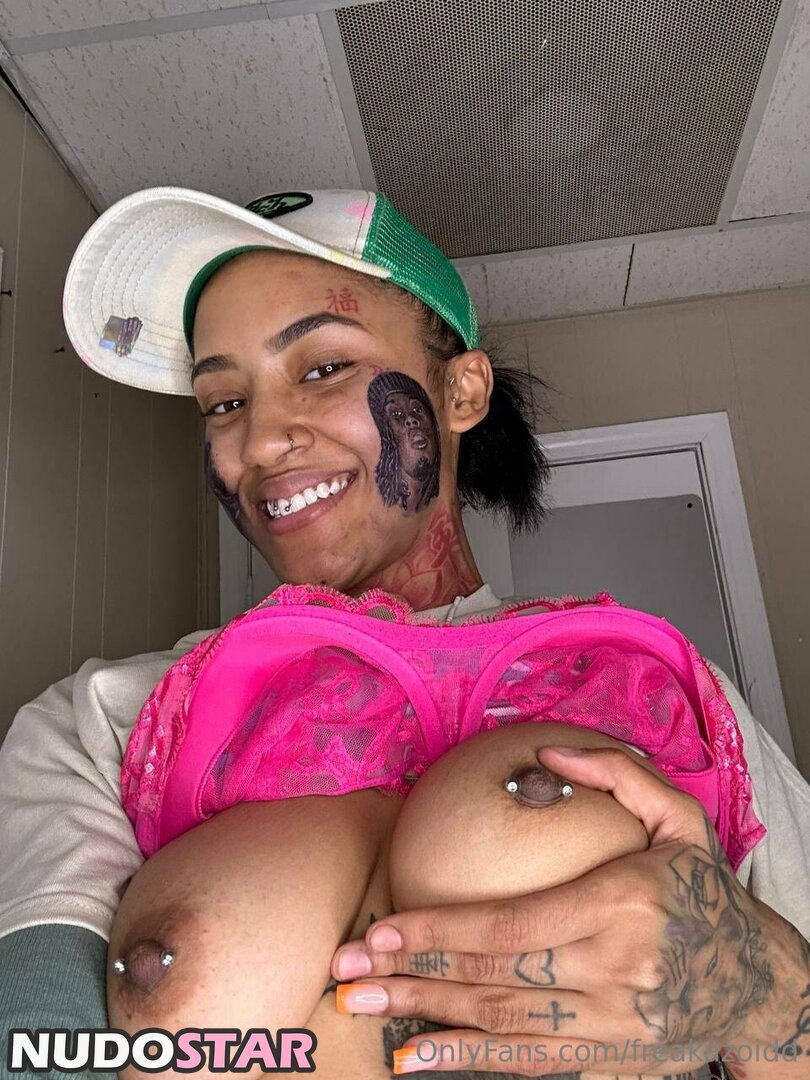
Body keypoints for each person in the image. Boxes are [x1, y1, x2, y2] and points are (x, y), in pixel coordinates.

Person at [0, 187, 808, 1080]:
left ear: (462, 390)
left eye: (322, 368)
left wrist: (758, 982)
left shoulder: (673, 696)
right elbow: (33, 1044)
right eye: (224, 402)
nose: (259, 442)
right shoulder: (101, 721)